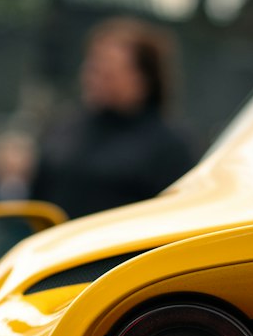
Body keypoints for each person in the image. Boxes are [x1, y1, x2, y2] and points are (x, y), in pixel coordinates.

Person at [31, 17, 195, 220]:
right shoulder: (64, 129)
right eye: (93, 66)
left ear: (143, 79)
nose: (94, 76)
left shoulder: (168, 145)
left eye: (108, 71)